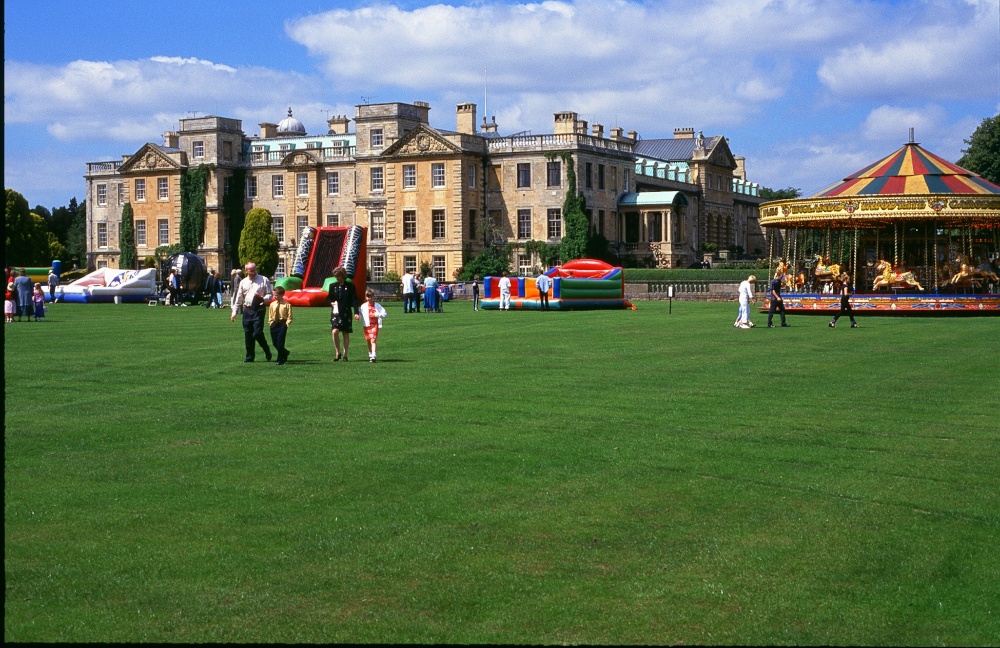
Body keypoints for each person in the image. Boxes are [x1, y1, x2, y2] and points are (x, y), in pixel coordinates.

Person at [230, 262, 273, 362]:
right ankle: (250, 356)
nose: (253, 272)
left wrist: (262, 298)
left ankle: (266, 349)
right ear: (246, 271)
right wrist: (234, 312)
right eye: (251, 271)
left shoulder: (263, 280)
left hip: (259, 309)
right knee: (248, 334)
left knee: (257, 333)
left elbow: (270, 294)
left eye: (254, 270)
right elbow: (239, 298)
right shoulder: (243, 282)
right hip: (247, 310)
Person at [327, 266, 359, 361]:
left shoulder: (350, 286)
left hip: (346, 312)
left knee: (345, 333)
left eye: (339, 276)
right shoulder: (333, 286)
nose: (337, 278)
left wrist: (356, 313)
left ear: (343, 276)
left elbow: (354, 300)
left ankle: (345, 354)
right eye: (336, 276)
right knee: (334, 331)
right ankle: (337, 352)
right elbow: (328, 298)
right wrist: (331, 303)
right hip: (336, 312)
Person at [359, 288, 388, 362]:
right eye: (368, 297)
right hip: (367, 325)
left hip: (374, 325)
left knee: (373, 340)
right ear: (366, 297)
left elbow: (384, 313)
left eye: (371, 297)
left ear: (374, 297)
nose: (370, 298)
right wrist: (358, 316)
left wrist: (376, 314)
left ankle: (374, 355)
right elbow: (360, 314)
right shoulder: (363, 306)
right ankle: (370, 354)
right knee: (368, 340)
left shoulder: (377, 306)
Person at [268, 285, 293, 365]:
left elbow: (290, 316)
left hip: (282, 324)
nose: (274, 296)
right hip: (274, 324)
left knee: (280, 342)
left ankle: (280, 359)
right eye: (274, 295)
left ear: (282, 295)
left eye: (276, 295)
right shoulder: (272, 304)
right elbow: (270, 314)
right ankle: (285, 352)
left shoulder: (287, 305)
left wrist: (286, 324)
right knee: (275, 343)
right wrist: (271, 323)